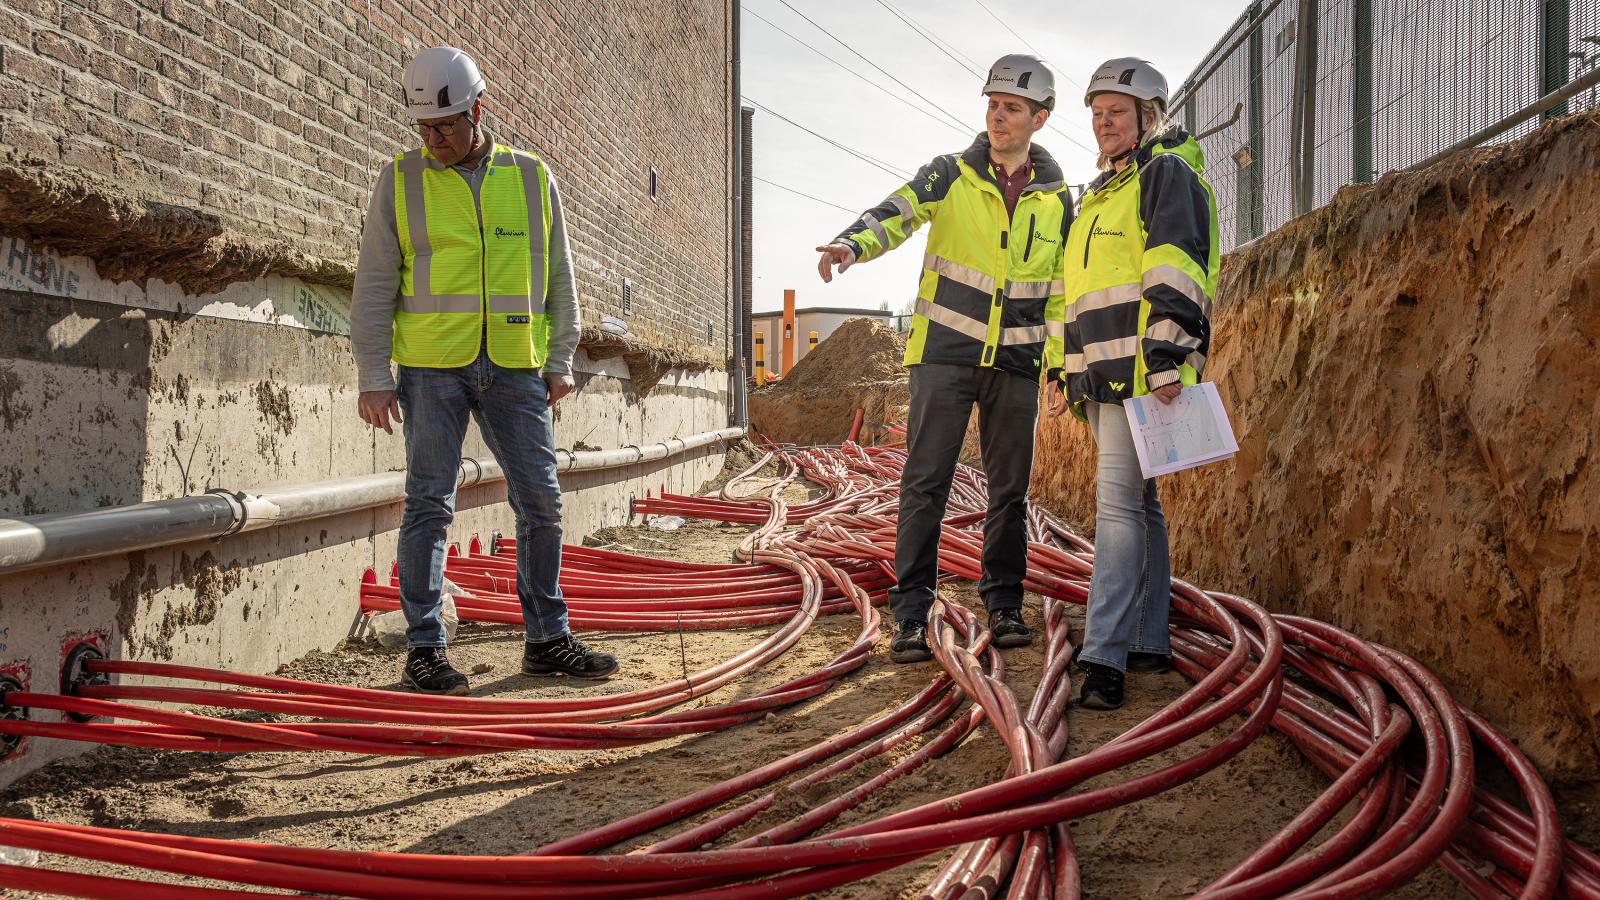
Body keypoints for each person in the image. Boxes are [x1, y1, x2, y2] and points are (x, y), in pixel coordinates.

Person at [350, 46, 618, 695]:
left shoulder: (530, 177)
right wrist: (372, 374)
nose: (433, 139)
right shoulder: (401, 179)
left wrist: (561, 359)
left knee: (542, 502)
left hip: (515, 365)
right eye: (423, 128)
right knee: (427, 506)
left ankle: (547, 639)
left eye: (444, 125)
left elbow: (559, 274)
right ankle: (424, 649)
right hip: (429, 368)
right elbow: (375, 281)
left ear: (477, 109)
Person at [817, 54, 1073, 664]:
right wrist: (852, 243)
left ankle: (1004, 601)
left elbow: (1062, 292)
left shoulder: (1059, 200)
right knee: (924, 484)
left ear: (1040, 117)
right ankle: (910, 612)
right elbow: (897, 213)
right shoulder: (951, 174)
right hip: (943, 357)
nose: (997, 117)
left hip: (1016, 365)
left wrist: (1058, 365)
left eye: (1011, 108)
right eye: (992, 104)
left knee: (1009, 491)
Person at [1044, 58, 1220, 710]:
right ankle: (1147, 640)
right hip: (1103, 377)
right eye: (1096, 113)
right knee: (1141, 507)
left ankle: (1104, 657)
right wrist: (1063, 369)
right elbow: (1074, 293)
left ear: (1150, 117)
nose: (1104, 123)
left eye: (1117, 112)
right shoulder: (1096, 197)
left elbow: (1175, 265)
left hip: (1145, 373)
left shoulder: (1164, 175)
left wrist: (1168, 356)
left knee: (1116, 508)